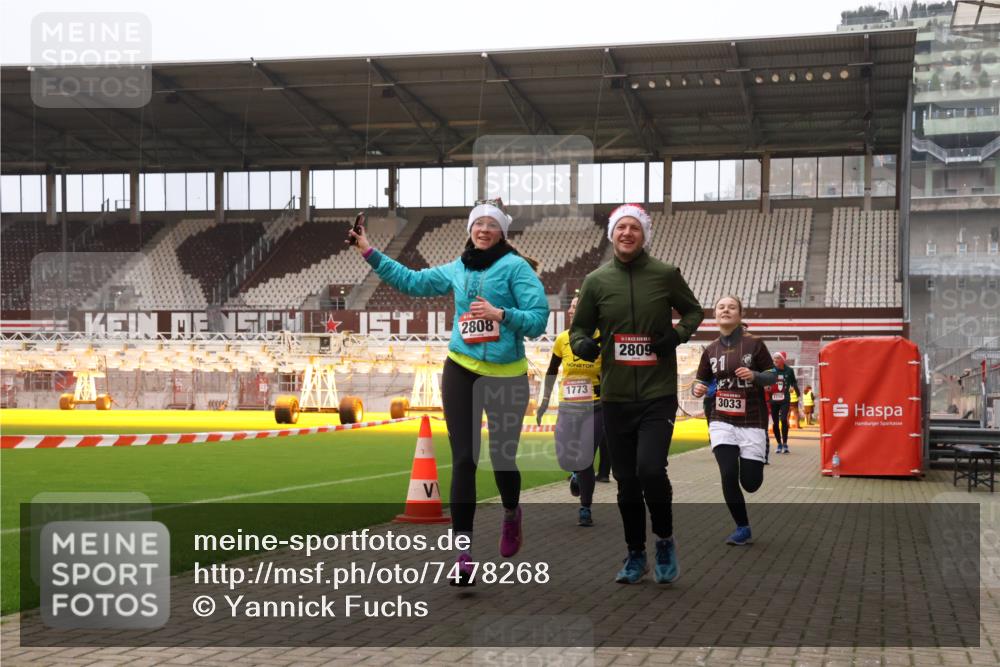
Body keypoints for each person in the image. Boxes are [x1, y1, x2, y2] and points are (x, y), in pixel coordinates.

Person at [349, 199, 548, 586]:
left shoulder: (516, 269)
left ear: (502, 232)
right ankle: (464, 554)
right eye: (479, 224)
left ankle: (511, 513)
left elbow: (538, 320)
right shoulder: (458, 268)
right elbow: (412, 281)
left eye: (492, 224)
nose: (484, 229)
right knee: (464, 461)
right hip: (461, 369)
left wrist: (501, 315)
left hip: (506, 375)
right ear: (470, 230)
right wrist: (368, 251)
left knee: (502, 459)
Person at [570, 203, 704, 584]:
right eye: (621, 227)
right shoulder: (596, 281)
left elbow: (694, 312)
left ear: (645, 235)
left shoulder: (665, 274)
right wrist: (581, 345)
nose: (627, 233)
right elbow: (580, 329)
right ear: (612, 234)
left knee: (650, 470)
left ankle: (663, 540)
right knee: (626, 480)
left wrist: (675, 336)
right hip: (614, 397)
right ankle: (635, 555)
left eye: (635, 228)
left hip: (657, 392)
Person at [692, 296, 777, 545]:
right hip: (721, 419)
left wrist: (754, 375)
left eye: (731, 307)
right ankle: (742, 527)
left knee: (750, 483)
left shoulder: (755, 344)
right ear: (715, 315)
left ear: (740, 315)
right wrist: (698, 388)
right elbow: (701, 380)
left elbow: (772, 376)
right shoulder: (710, 350)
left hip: (752, 420)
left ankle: (760, 451)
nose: (725, 310)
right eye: (721, 307)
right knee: (728, 472)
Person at [537, 296, 609, 527]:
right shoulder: (562, 339)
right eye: (572, 307)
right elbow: (551, 370)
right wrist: (544, 402)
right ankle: (575, 473)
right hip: (567, 407)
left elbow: (613, 374)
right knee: (565, 457)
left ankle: (585, 508)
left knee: (585, 457)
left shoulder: (603, 339)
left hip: (595, 407)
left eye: (579, 307)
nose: (573, 310)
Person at [766, 351, 799, 454]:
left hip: (785, 399)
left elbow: (793, 382)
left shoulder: (789, 371)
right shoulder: (770, 371)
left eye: (777, 358)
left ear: (783, 360)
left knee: (784, 419)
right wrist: (766, 387)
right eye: (774, 358)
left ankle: (785, 443)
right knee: (775, 423)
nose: (775, 360)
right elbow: (765, 383)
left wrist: (793, 387)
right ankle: (779, 443)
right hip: (774, 400)